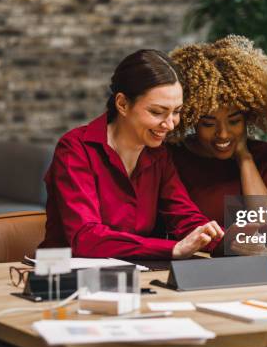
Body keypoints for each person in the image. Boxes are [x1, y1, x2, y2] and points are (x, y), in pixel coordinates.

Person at [39, 49, 224, 259]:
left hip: (135, 277)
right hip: (63, 280)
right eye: (157, 112)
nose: (170, 124)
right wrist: (171, 249)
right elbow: (85, 238)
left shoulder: (158, 155)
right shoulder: (75, 149)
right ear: (122, 104)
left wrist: (225, 242)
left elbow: (184, 217)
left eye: (177, 112)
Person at [168, 35, 267, 237]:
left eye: (234, 120)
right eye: (208, 123)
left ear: (248, 116)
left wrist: (244, 158)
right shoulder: (172, 158)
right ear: (191, 118)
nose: (223, 134)